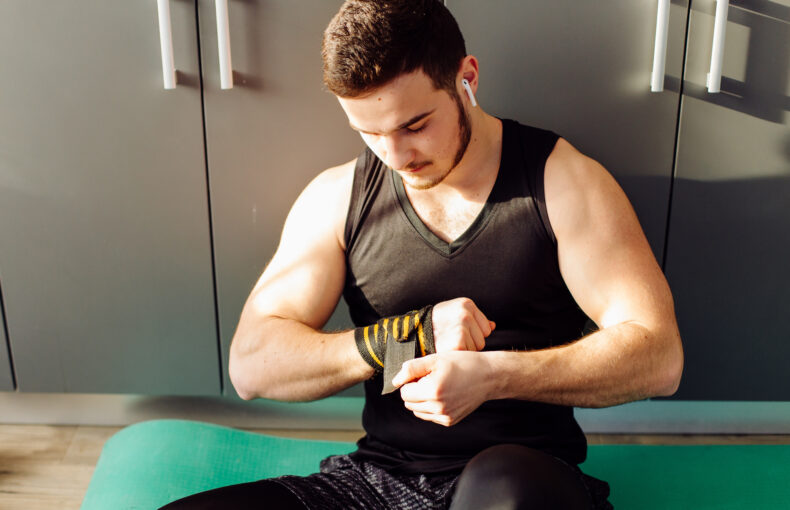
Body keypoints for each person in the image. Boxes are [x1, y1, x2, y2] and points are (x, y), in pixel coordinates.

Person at [161, 0, 683, 508]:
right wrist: (408, 336)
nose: (396, 155)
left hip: (523, 479)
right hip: (377, 481)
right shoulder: (337, 196)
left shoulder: (562, 182)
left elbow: (659, 357)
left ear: (467, 79)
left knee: (506, 486)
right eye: (369, 132)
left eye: (415, 125)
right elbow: (252, 367)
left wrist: (495, 375)